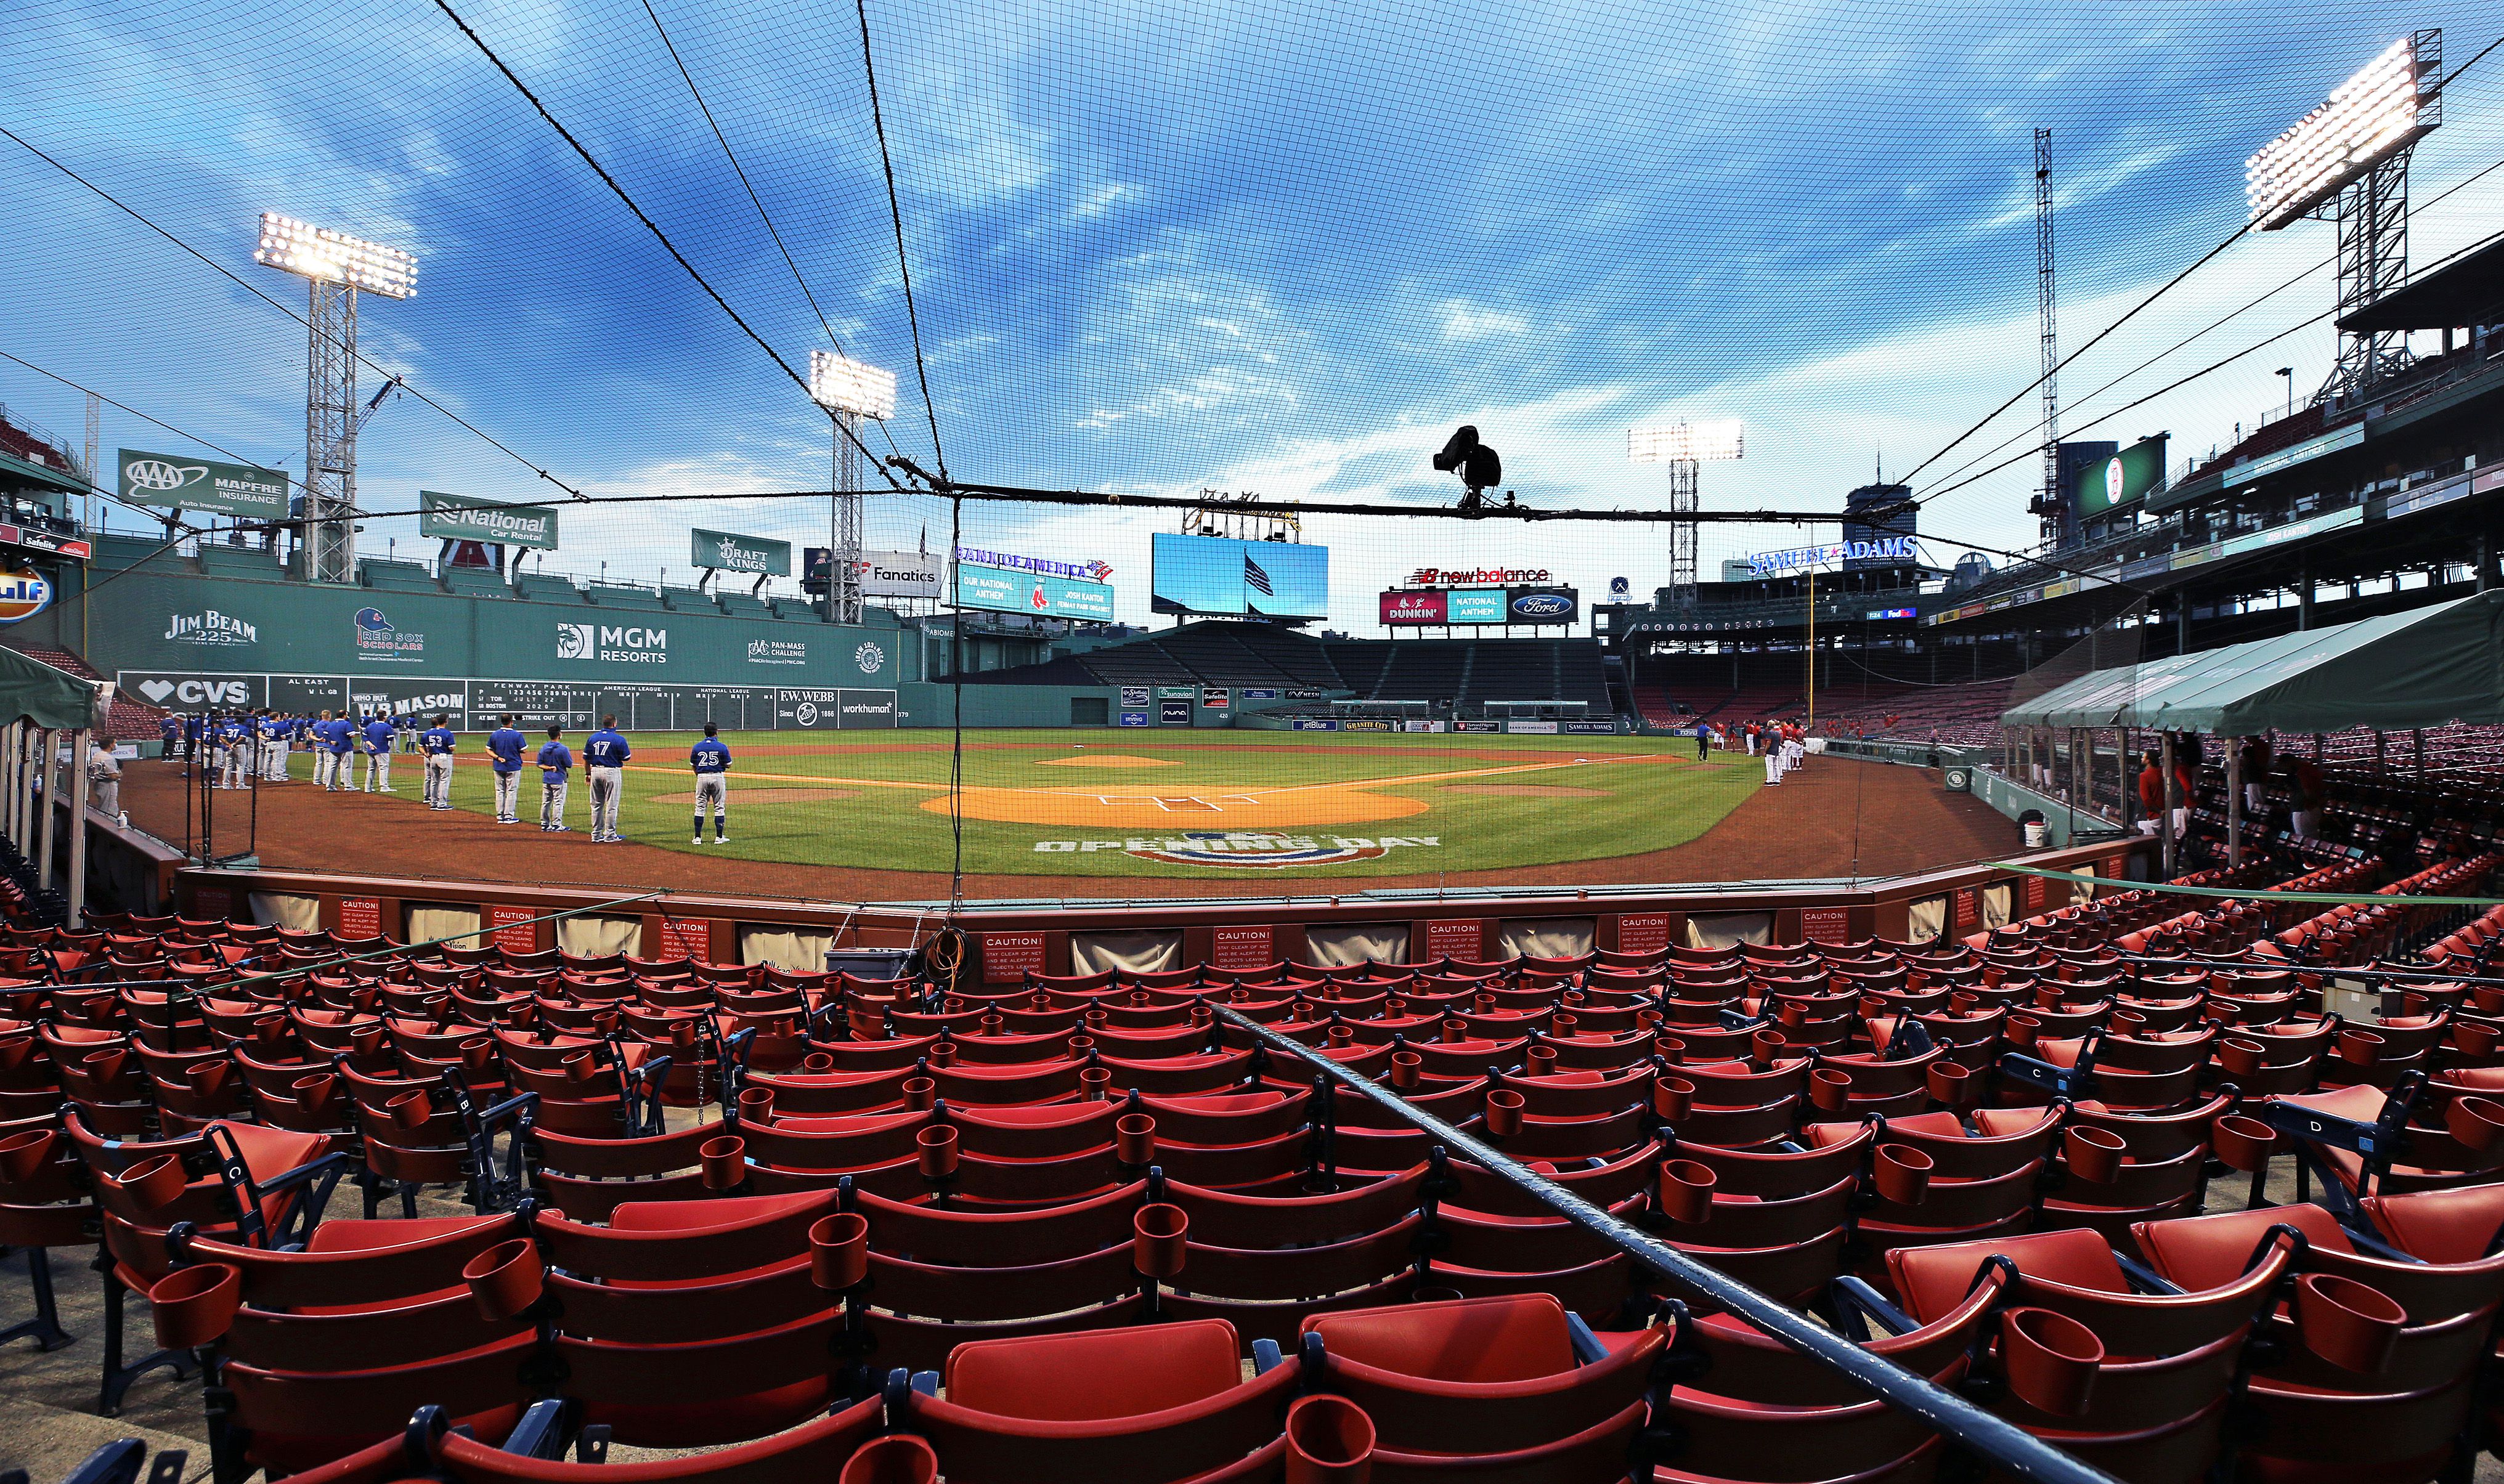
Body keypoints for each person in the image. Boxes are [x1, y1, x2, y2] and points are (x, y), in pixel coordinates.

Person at [584, 714, 630, 843]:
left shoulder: (593, 737)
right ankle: (610, 835)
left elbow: (586, 758)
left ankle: (596, 835)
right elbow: (626, 758)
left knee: (596, 805)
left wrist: (588, 774)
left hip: (595, 772)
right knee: (612, 805)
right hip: (611, 772)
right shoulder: (619, 739)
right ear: (614, 724)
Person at [689, 723, 732, 843]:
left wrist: (700, 775)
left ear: (705, 732)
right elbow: (728, 764)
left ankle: (697, 838)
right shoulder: (722, 747)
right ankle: (719, 837)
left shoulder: (697, 747)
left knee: (700, 807)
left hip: (702, 777)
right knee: (719, 806)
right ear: (716, 732)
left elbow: (694, 765)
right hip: (717, 776)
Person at [487, 715, 527, 823]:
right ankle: (509, 816)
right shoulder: (517, 735)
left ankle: (500, 816)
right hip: (513, 766)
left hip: (498, 766)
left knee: (500, 791)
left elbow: (488, 750)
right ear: (511, 722)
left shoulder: (494, 734)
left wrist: (497, 757)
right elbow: (524, 750)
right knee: (511, 791)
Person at [537, 724, 574, 833]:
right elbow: (569, 764)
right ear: (559, 734)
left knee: (546, 802)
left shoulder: (543, 748)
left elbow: (539, 764)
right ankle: (557, 825)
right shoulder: (563, 749)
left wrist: (548, 768)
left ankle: (544, 824)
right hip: (559, 779)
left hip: (547, 779)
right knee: (558, 802)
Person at [420, 713, 458, 811]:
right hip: (444, 758)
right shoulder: (447, 733)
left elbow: (421, 746)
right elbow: (452, 748)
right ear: (446, 721)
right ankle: (442, 804)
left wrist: (426, 753)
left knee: (434, 780)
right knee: (444, 780)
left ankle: (433, 803)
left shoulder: (428, 733)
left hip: (433, 758)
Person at [2286, 753, 2326, 840]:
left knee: (2305, 841)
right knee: (2312, 838)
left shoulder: (2303, 772)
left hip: (2304, 809)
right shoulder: (2308, 768)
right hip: (2311, 808)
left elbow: (2309, 793)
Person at [361, 712, 397, 792]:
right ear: (384, 717)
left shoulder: (370, 725)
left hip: (371, 750)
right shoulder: (387, 726)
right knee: (383, 768)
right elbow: (390, 738)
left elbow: (364, 736)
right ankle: (384, 787)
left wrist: (370, 744)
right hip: (382, 750)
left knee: (371, 769)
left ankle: (368, 788)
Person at [87, 734, 121, 818]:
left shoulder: (97, 755)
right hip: (107, 785)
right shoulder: (107, 758)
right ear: (110, 745)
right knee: (110, 810)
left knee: (104, 806)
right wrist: (120, 774)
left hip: (99, 784)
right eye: (115, 743)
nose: (116, 745)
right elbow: (112, 776)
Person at [2238, 735, 2272, 816]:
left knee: (2256, 807)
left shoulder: (2258, 747)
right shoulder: (2258, 745)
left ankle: (2260, 821)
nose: (2246, 738)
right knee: (2255, 805)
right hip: (2255, 780)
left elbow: (2260, 763)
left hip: (2255, 780)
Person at [2134, 752, 2165, 835]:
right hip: (2159, 816)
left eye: (2143, 757)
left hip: (2149, 816)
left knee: (2147, 844)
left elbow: (2146, 799)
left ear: (2148, 761)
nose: (2141, 759)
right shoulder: (2162, 772)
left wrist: (2159, 811)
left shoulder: (2144, 776)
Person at [323, 710, 356, 790]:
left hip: (334, 749)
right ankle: (348, 786)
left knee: (332, 767)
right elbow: (352, 735)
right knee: (347, 767)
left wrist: (331, 741)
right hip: (346, 748)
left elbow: (325, 735)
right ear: (345, 716)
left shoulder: (331, 724)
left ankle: (330, 786)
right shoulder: (346, 724)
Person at [218, 713, 249, 790]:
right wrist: (234, 744)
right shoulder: (244, 728)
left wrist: (229, 745)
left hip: (229, 748)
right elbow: (242, 738)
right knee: (240, 766)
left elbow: (221, 737)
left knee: (228, 766)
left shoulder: (228, 727)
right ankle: (240, 784)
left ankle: (226, 785)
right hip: (239, 747)